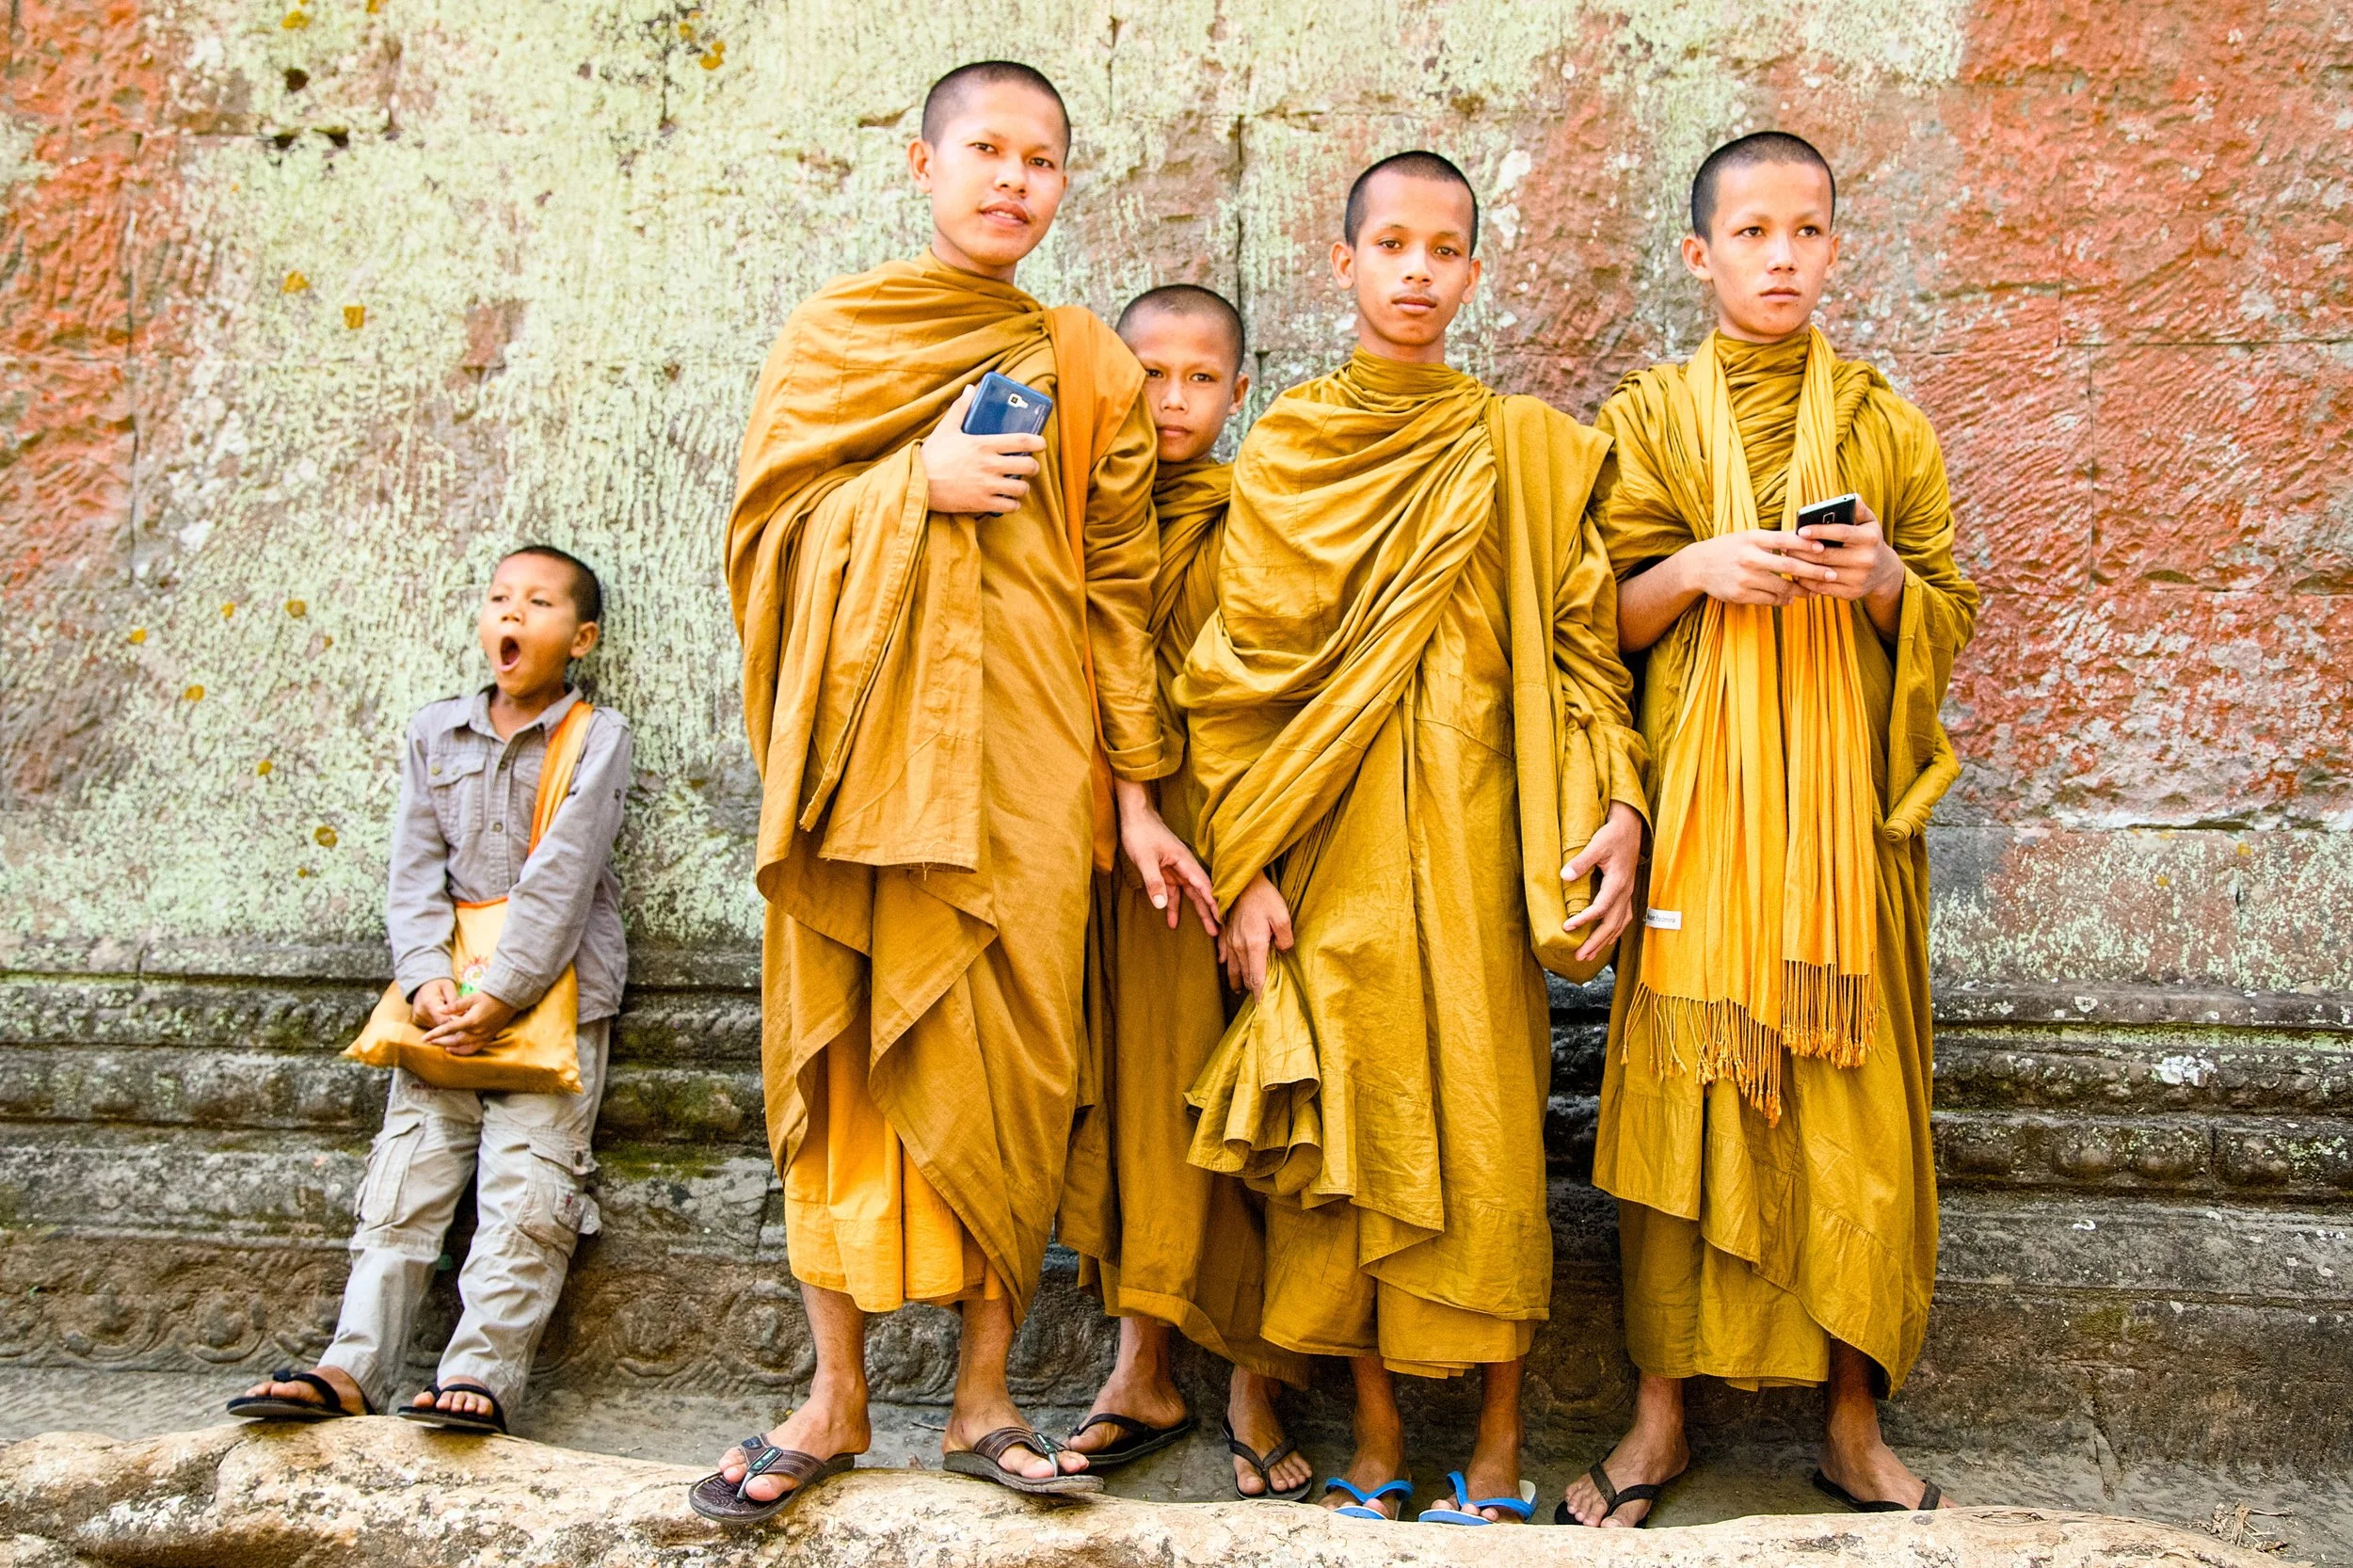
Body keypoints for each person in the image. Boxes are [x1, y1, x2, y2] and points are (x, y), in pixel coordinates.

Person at [702, 60, 1217, 1523]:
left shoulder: (1093, 362)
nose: (1012, 179)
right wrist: (904, 487)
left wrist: (1132, 798)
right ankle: (836, 1391)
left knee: (1016, 1063)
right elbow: (761, 541)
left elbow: (1119, 591)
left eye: (1041, 160)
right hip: (864, 773)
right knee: (849, 1052)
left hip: (1034, 768)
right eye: (984, 150)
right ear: (920, 164)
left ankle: (986, 1395)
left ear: (1064, 184)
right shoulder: (837, 336)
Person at [1178, 152, 1648, 1526]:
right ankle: (1378, 1433)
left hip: (1480, 841)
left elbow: (1579, 652)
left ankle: (1497, 1446)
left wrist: (1617, 797)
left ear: (1474, 272)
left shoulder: (1526, 451)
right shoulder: (1288, 449)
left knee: (1491, 1136)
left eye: (1445, 248)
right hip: (1322, 851)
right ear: (1344, 263)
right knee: (1352, 1141)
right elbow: (1237, 670)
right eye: (1390, 243)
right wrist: (1245, 862)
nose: (1416, 270)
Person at [1564, 132, 1980, 1528]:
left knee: (1855, 1119)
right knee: (1682, 1109)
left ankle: (1853, 1420)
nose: (1781, 255)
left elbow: (1951, 608)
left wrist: (1881, 584)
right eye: (1751, 232)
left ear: (1837, 250)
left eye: (1806, 230)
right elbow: (1587, 622)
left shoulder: (1881, 422)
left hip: (1840, 837)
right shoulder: (1642, 422)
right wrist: (1693, 567)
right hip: (1695, 823)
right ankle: (1659, 1416)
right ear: (1701, 255)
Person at [226, 545, 631, 1437]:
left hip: (555, 1001)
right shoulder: (432, 732)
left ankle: (481, 1373)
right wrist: (426, 979)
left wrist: (508, 991)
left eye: (537, 603)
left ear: (583, 637)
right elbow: (412, 870)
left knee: (529, 1193)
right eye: (497, 599)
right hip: (440, 1009)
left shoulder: (597, 738)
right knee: (405, 1181)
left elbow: (564, 874)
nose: (511, 616)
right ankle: (352, 1363)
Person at [1057, 285, 1316, 1501]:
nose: (1172, 400)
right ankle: (1139, 1367)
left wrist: (1255, 857)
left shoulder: (1257, 512)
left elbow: (1272, 698)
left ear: (1239, 392)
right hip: (1114, 847)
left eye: (1200, 378)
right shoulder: (1079, 516)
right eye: (1149, 374)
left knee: (1234, 1100)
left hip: (1229, 844)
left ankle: (1258, 1375)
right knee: (1131, 1099)